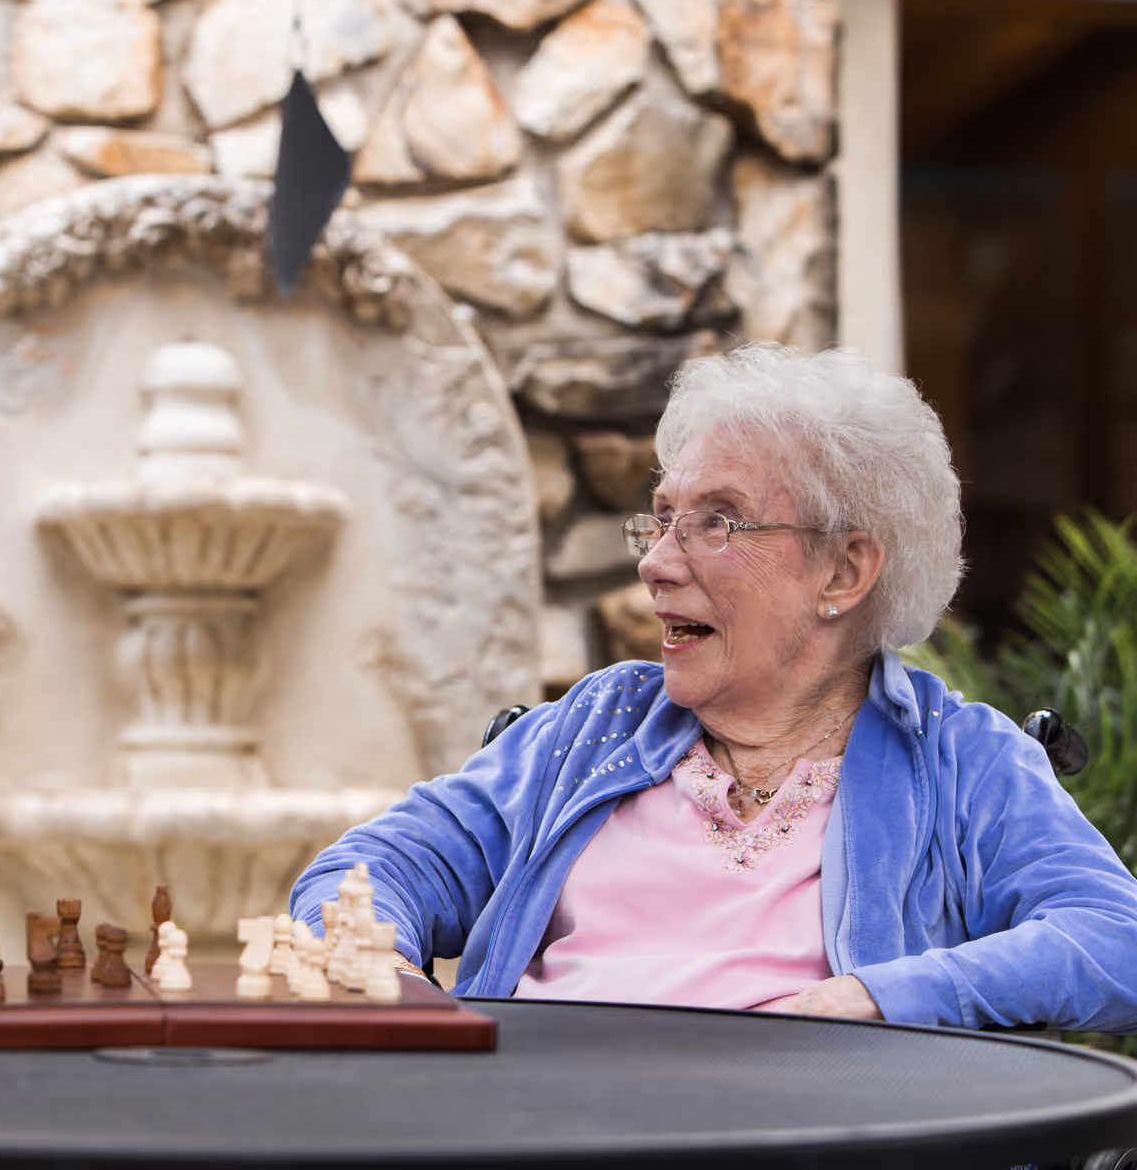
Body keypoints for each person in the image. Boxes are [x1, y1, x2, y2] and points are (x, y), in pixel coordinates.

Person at [293, 343, 1137, 1030]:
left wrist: (879, 1000)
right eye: (661, 519)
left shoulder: (960, 761)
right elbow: (375, 865)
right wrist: (374, 956)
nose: (656, 565)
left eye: (717, 523)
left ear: (843, 570)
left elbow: (1115, 940)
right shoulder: (593, 727)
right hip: (540, 1130)